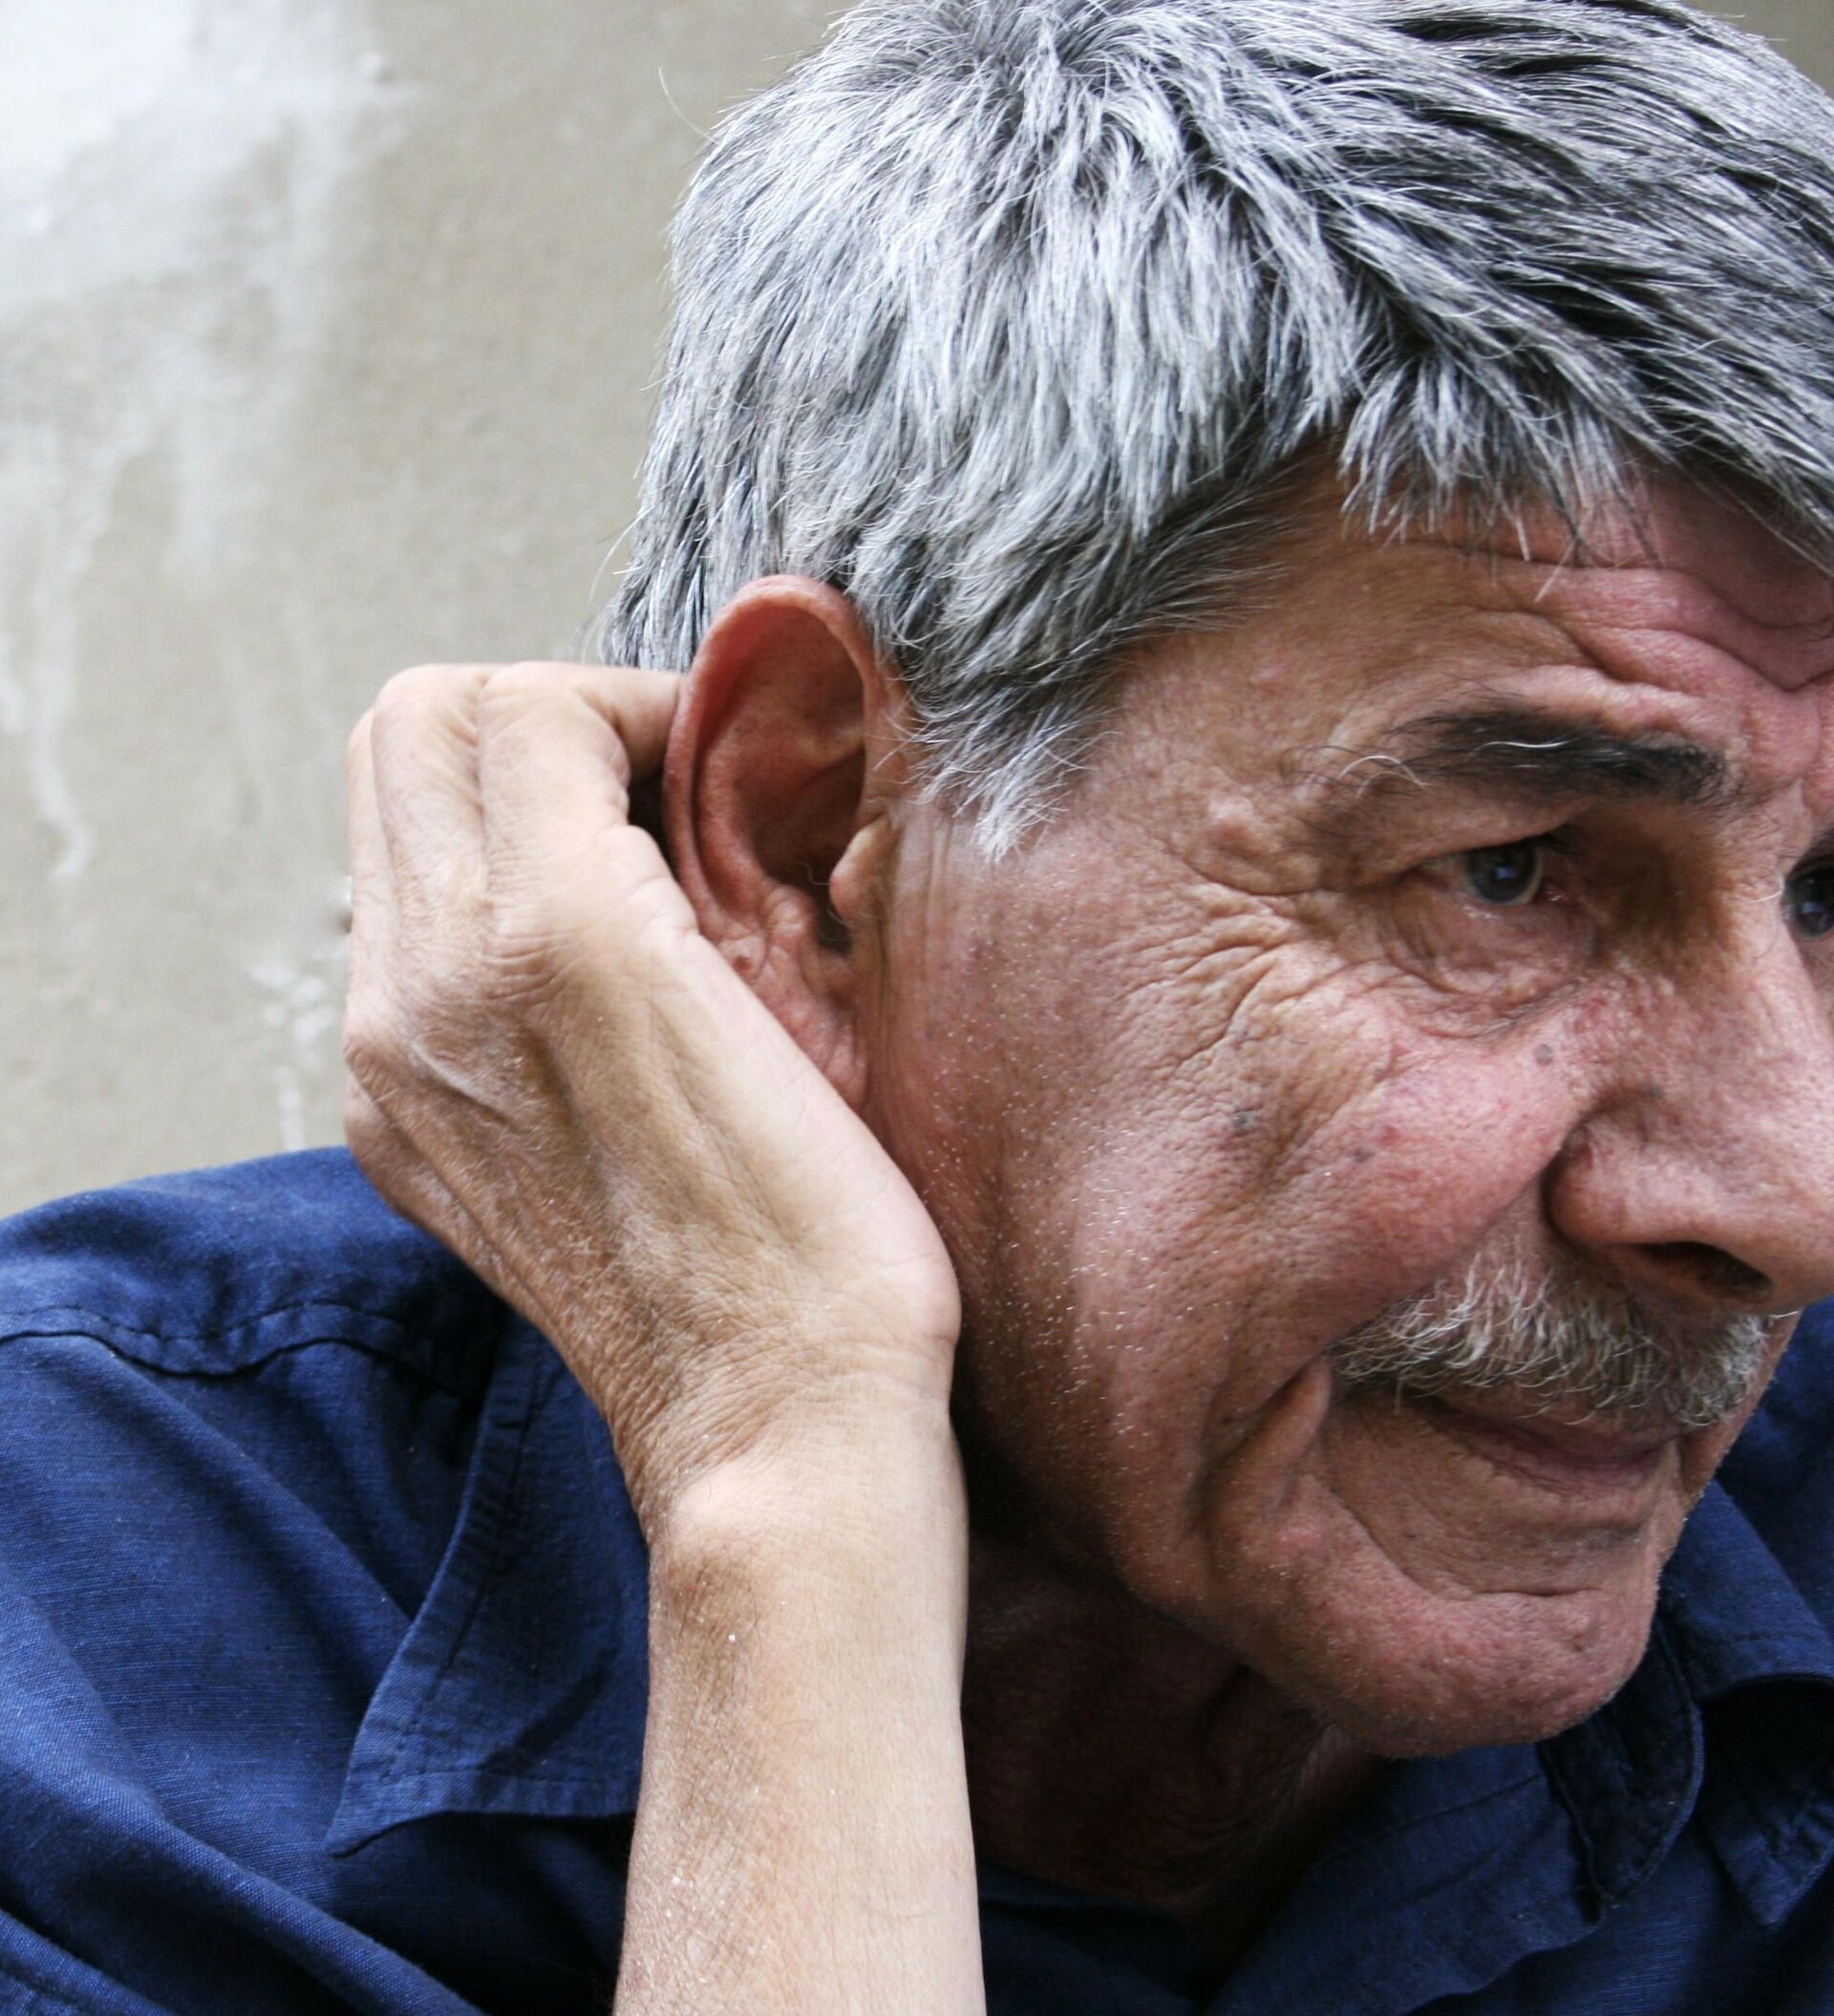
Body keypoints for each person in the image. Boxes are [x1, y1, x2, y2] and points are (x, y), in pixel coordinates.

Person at [8, 0, 1834, 2008]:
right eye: (1509, 871)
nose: (1790, 1200)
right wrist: (784, 1461)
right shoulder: (85, 1624)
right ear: (813, 839)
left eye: (1830, 900)